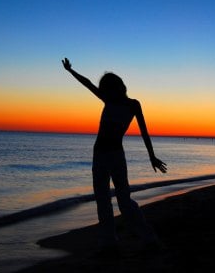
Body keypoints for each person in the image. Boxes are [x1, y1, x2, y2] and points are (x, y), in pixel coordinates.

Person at [62, 57, 167, 255]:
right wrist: (71, 71)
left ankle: (148, 238)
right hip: (99, 154)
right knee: (102, 200)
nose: (107, 92)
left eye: (110, 87)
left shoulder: (133, 104)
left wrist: (152, 156)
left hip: (116, 156)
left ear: (119, 86)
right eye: (106, 89)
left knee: (124, 201)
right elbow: (88, 84)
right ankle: (109, 243)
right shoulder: (108, 99)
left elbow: (144, 131)